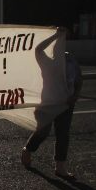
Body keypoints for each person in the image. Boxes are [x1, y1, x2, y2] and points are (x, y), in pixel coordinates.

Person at [21, 51, 83, 179]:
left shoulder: (70, 59)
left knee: (63, 134)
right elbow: (38, 50)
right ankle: (28, 149)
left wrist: (75, 95)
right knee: (43, 131)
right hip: (48, 102)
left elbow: (78, 79)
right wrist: (51, 38)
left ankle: (60, 167)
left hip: (66, 103)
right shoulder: (47, 60)